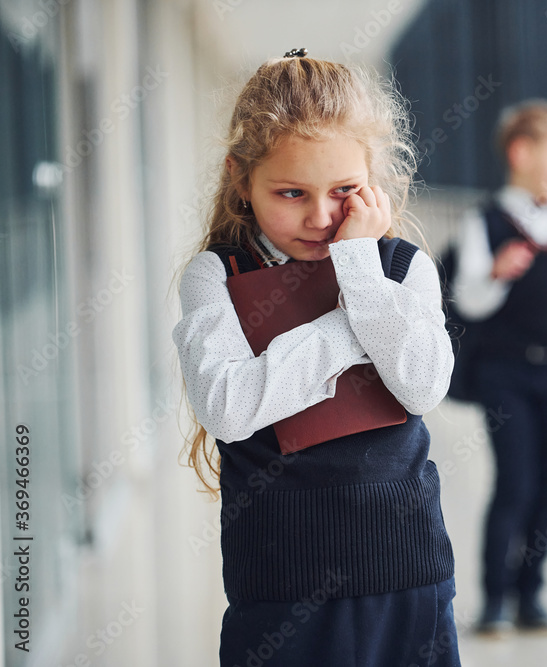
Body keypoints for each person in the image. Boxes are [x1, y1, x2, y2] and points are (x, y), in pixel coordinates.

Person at [171, 52, 460, 665]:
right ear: (240, 181)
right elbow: (227, 408)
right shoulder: (217, 277)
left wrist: (360, 270)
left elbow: (423, 387)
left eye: (344, 192)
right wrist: (354, 323)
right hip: (280, 581)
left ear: (372, 180)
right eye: (291, 192)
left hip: (406, 568)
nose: (322, 216)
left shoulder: (402, 268)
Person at [450, 99, 547, 635]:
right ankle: (495, 597)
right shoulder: (486, 221)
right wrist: (496, 272)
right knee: (515, 481)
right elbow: (466, 299)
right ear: (522, 153)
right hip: (504, 373)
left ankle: (532, 592)